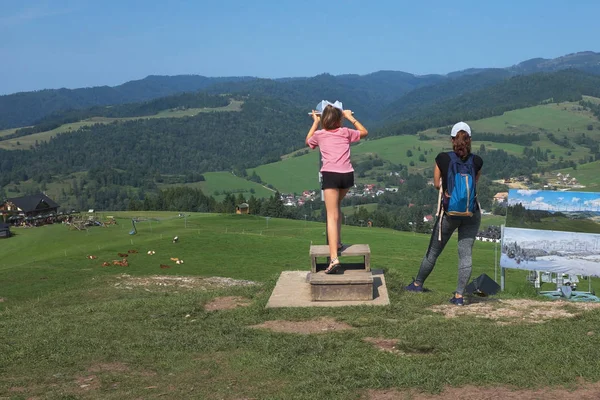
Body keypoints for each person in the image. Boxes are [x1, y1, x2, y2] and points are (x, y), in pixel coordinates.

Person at [405, 122, 483, 305]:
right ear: (470, 139)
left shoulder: (442, 158)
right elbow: (474, 185)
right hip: (471, 214)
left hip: (449, 214)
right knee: (465, 254)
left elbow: (437, 184)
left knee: (433, 251)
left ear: (452, 139)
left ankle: (417, 284)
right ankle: (459, 296)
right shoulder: (477, 161)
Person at [306, 100, 368, 274]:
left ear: (324, 120)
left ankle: (334, 259)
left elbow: (308, 141)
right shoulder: (346, 132)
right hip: (347, 175)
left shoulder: (320, 134)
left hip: (331, 175)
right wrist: (350, 118)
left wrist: (315, 122)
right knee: (336, 209)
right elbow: (364, 132)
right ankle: (338, 242)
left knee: (331, 215)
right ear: (339, 120)